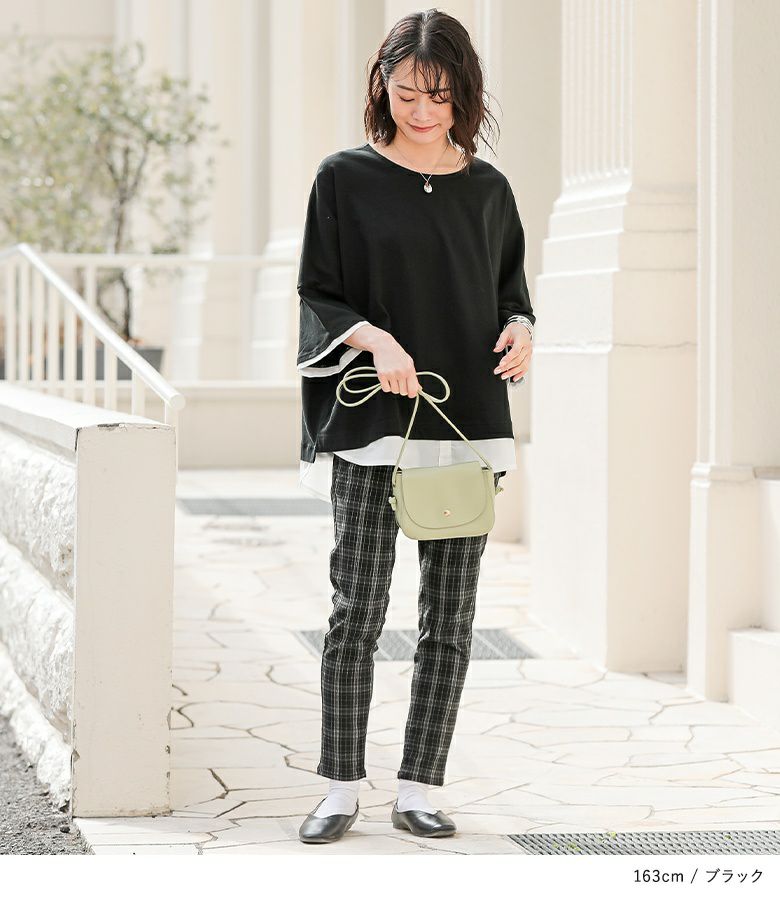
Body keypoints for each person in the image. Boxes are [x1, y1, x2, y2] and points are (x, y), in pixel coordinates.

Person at [296, 9, 535, 844]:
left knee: (450, 620)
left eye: (438, 95)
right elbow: (319, 292)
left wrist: (522, 330)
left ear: (463, 93)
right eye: (406, 93)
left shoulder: (489, 190)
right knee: (356, 610)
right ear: (382, 87)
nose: (423, 110)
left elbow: (511, 294)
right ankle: (338, 787)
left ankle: (420, 787)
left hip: (463, 426)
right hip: (372, 423)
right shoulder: (344, 178)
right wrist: (376, 338)